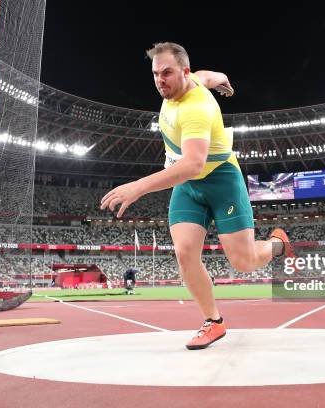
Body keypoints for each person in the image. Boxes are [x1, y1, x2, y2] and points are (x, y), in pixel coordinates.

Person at [101, 42, 296, 350]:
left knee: (243, 262)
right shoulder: (184, 83)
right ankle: (213, 322)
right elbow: (208, 75)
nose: (160, 80)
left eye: (167, 73)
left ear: (183, 72)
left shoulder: (196, 108)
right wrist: (224, 79)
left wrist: (138, 187)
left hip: (220, 181)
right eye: (155, 74)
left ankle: (277, 245)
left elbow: (192, 164)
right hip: (189, 187)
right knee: (184, 252)